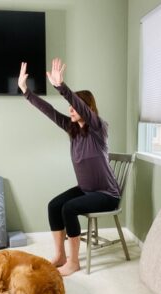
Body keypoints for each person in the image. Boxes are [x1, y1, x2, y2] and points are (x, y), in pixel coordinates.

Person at [18, 58, 120, 276]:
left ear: (87, 109)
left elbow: (80, 105)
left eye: (75, 106)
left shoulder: (99, 129)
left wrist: (61, 87)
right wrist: (26, 91)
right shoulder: (72, 131)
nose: (71, 109)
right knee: (54, 205)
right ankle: (61, 256)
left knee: (69, 208)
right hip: (87, 190)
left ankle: (74, 262)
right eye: (70, 107)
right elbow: (49, 111)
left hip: (107, 195)